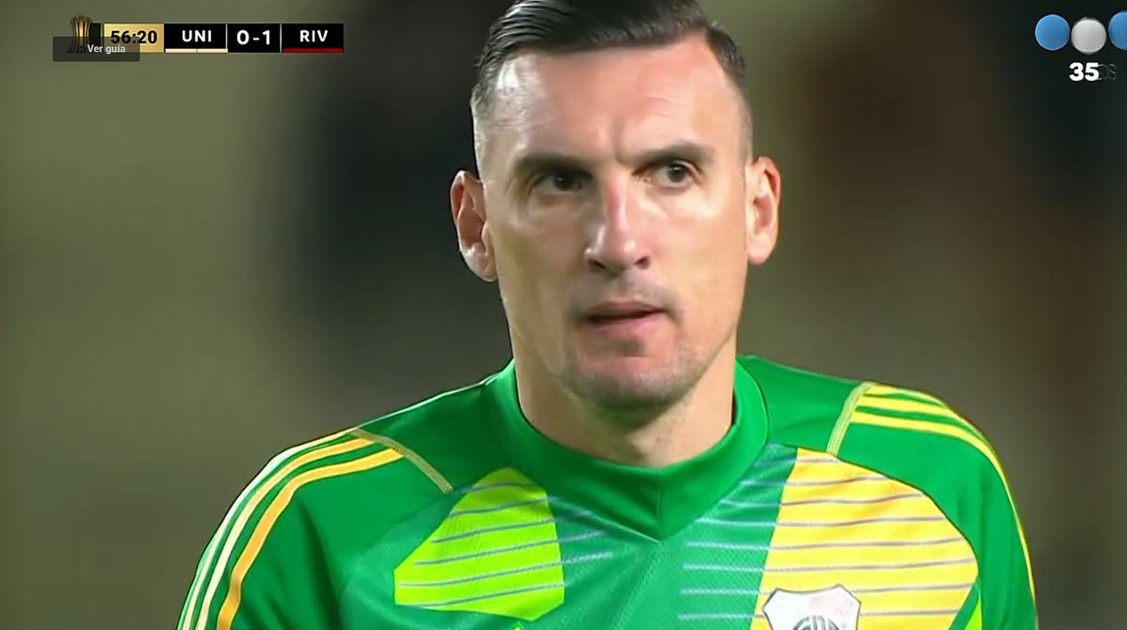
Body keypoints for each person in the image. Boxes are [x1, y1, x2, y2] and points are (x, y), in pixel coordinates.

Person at [176, 1, 1037, 628]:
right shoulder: (317, 536)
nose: (619, 242)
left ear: (758, 210)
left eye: (672, 173)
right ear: (476, 226)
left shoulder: (934, 486)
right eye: (560, 181)